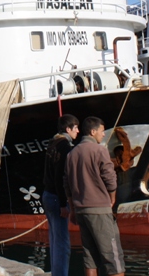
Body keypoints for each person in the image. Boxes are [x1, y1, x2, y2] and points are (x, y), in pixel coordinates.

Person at [64, 116, 125, 276]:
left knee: (89, 256)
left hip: (81, 210)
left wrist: (72, 208)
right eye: (102, 131)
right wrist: (112, 197)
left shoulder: (71, 154)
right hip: (99, 209)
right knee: (113, 257)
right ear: (93, 131)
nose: (104, 134)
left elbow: (67, 184)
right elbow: (110, 177)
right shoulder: (100, 150)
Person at [42, 114, 79, 276]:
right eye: (75, 127)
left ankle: (56, 273)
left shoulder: (52, 143)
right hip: (57, 199)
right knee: (63, 243)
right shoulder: (65, 147)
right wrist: (64, 204)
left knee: (54, 239)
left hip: (47, 195)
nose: (78, 131)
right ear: (68, 129)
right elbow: (60, 177)